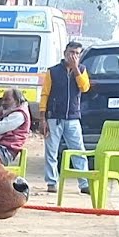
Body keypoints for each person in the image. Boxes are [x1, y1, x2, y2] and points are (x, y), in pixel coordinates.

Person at [41, 41, 92, 196]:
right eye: (71, 52)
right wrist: (43, 118)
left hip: (73, 117)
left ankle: (84, 182)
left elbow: (84, 87)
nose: (74, 56)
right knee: (52, 151)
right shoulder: (53, 71)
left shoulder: (82, 70)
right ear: (65, 53)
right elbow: (45, 94)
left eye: (77, 53)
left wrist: (76, 68)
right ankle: (51, 182)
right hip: (54, 116)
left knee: (78, 150)